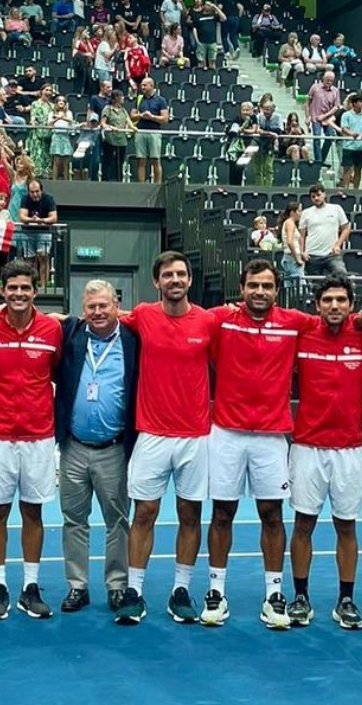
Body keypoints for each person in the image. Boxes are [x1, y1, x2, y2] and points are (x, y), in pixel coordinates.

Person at [204, 259, 317, 629]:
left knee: (272, 514)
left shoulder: (294, 322)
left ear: (277, 291)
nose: (260, 291)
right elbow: (175, 318)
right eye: (253, 285)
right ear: (242, 288)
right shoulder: (221, 320)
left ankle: (274, 595)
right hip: (226, 434)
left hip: (271, 437)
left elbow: (337, 320)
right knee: (222, 513)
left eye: (267, 286)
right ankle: (216, 592)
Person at [113, 251, 218, 625]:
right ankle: (134, 592)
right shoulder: (143, 315)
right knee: (144, 513)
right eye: (168, 275)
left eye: (181, 274)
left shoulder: (208, 321)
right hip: (152, 435)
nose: (175, 280)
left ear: (189, 279)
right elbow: (100, 315)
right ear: (156, 282)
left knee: (190, 514)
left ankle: (181, 591)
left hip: (195, 437)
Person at [0, 260, 63, 620]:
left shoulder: (52, 329)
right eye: (12, 288)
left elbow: (55, 373)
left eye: (25, 287)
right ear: (2, 291)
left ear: (35, 291)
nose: (19, 293)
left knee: (33, 511)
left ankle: (30, 587)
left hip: (39, 436)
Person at [287, 275, 362, 629]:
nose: (334, 306)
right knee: (303, 523)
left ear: (351, 304)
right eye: (327, 300)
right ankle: (300, 597)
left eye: (341, 300)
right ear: (317, 305)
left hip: (349, 449)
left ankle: (346, 599)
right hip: (307, 447)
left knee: (346, 526)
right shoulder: (302, 333)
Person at [55, 280, 140, 614]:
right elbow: (42, 317)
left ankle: (117, 586)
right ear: (83, 309)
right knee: (73, 520)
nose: (98, 312)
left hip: (114, 448)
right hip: (74, 446)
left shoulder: (132, 339)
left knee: (117, 521)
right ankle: (77, 586)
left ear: (117, 306)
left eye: (104, 305)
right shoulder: (72, 333)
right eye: (91, 306)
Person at [297, 184, 349, 277]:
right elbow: (301, 235)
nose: (316, 198)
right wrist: (302, 251)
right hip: (312, 255)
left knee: (341, 274)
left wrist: (338, 244)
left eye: (318, 195)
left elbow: (346, 228)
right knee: (314, 284)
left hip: (331, 254)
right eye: (313, 197)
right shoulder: (306, 213)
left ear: (324, 194)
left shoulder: (336, 208)